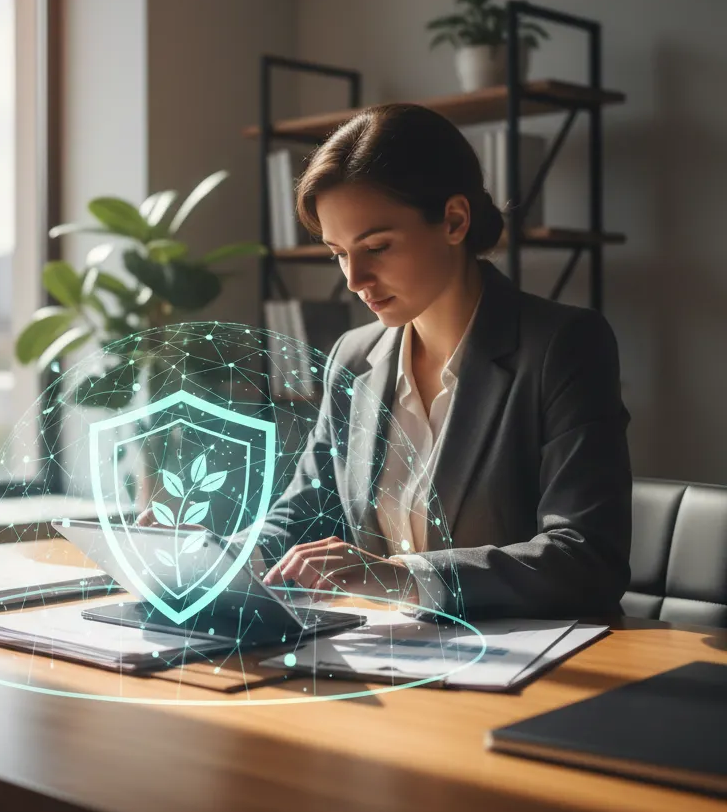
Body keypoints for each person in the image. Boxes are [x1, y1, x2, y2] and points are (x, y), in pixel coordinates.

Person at [249, 103, 633, 619]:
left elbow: (586, 559)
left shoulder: (563, 347)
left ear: (454, 220)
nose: (353, 279)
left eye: (377, 247)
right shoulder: (353, 357)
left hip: (520, 667)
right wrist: (214, 557)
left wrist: (402, 578)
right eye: (338, 252)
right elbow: (299, 520)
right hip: (390, 660)